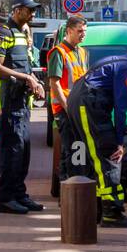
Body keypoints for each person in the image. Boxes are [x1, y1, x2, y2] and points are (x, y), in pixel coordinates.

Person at [66, 45, 127, 228]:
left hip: (82, 101)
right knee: (108, 155)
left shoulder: (114, 60)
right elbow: (121, 107)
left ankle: (96, 209)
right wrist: (120, 142)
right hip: (89, 104)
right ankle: (112, 212)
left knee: (95, 158)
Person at [0, 0, 47, 214]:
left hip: (22, 102)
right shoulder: (3, 33)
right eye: (29, 11)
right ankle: (5, 198)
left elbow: (25, 67)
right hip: (11, 101)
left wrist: (34, 80)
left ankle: (19, 194)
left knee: (23, 151)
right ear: (17, 10)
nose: (32, 15)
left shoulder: (23, 34)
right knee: (12, 151)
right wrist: (26, 79)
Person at [47, 15, 89, 196]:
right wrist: (68, 108)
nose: (83, 35)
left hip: (77, 109)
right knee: (73, 149)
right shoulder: (59, 52)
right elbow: (54, 84)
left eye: (85, 32)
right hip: (66, 110)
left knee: (71, 149)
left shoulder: (82, 52)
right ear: (69, 30)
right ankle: (68, 190)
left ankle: (65, 189)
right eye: (79, 31)